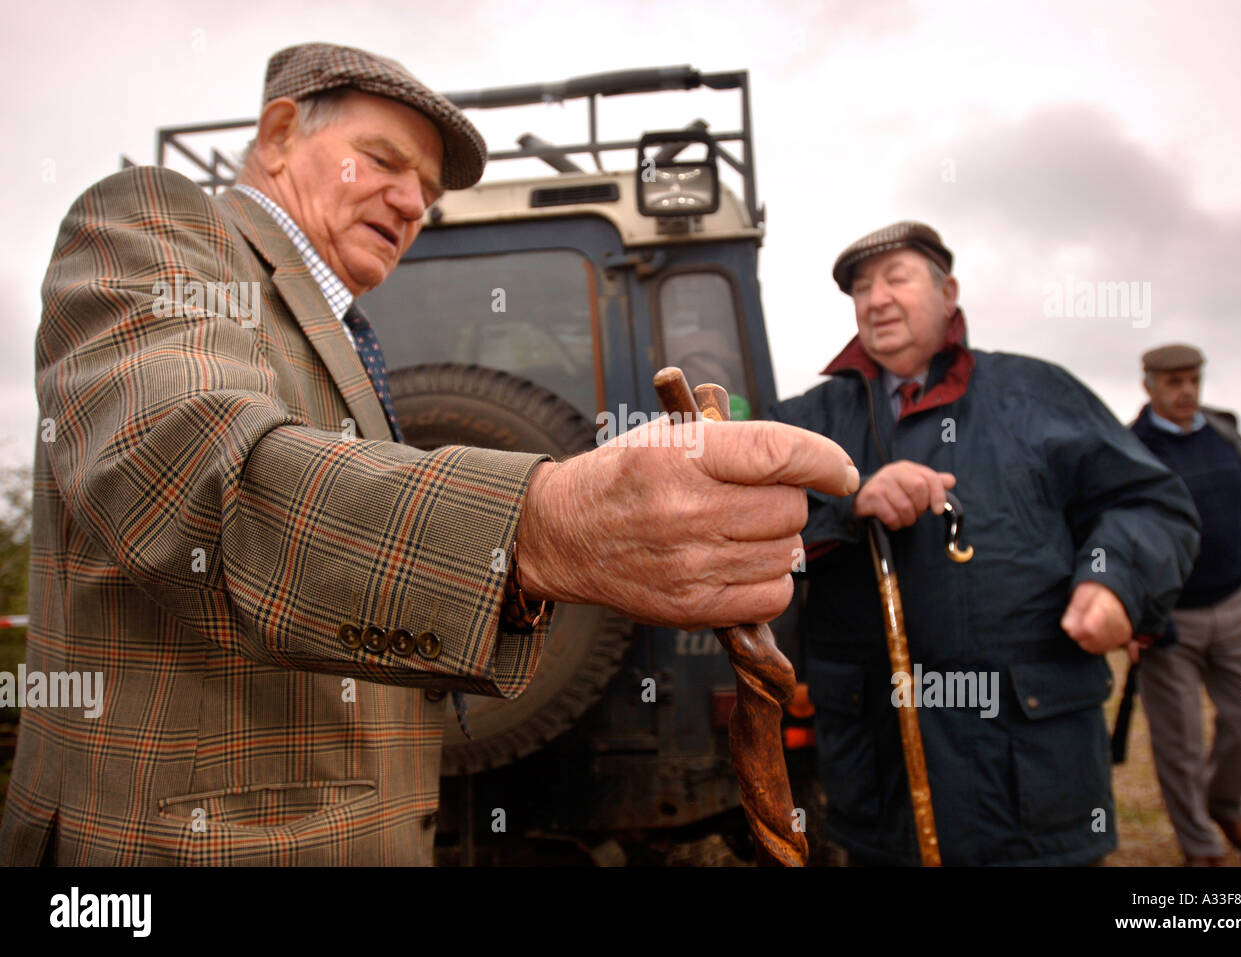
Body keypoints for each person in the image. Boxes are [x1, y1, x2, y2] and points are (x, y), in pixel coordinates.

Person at [0, 43, 858, 865]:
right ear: (277, 136)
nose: (412, 201)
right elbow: (188, 481)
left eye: (427, 188)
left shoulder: (344, 332)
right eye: (380, 160)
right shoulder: (155, 222)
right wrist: (546, 525)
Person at [769, 221, 1201, 865]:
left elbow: (1149, 504)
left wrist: (1116, 583)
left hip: (1032, 772)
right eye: (861, 288)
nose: (876, 299)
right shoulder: (810, 421)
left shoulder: (1036, 394)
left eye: (897, 278)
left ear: (949, 292)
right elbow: (747, 526)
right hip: (879, 780)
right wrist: (847, 506)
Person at [1129, 344, 1241, 865]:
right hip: (1171, 618)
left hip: (1240, 600)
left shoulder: (1225, 432)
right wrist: (1136, 610)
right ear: (1148, 384)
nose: (1186, 391)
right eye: (1173, 381)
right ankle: (1201, 847)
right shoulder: (1132, 447)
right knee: (1180, 742)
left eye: (1192, 379)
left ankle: (1226, 802)